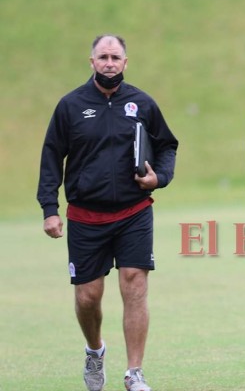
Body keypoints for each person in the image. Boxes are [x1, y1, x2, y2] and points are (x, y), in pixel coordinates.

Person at [37, 34, 178, 391]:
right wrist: (49, 209)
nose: (109, 63)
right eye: (103, 57)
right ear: (92, 61)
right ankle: (95, 350)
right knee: (88, 297)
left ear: (126, 63)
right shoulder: (70, 106)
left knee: (135, 284)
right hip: (85, 216)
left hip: (133, 211)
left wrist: (158, 178)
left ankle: (134, 372)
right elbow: (52, 156)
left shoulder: (142, 103)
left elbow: (168, 146)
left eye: (116, 57)